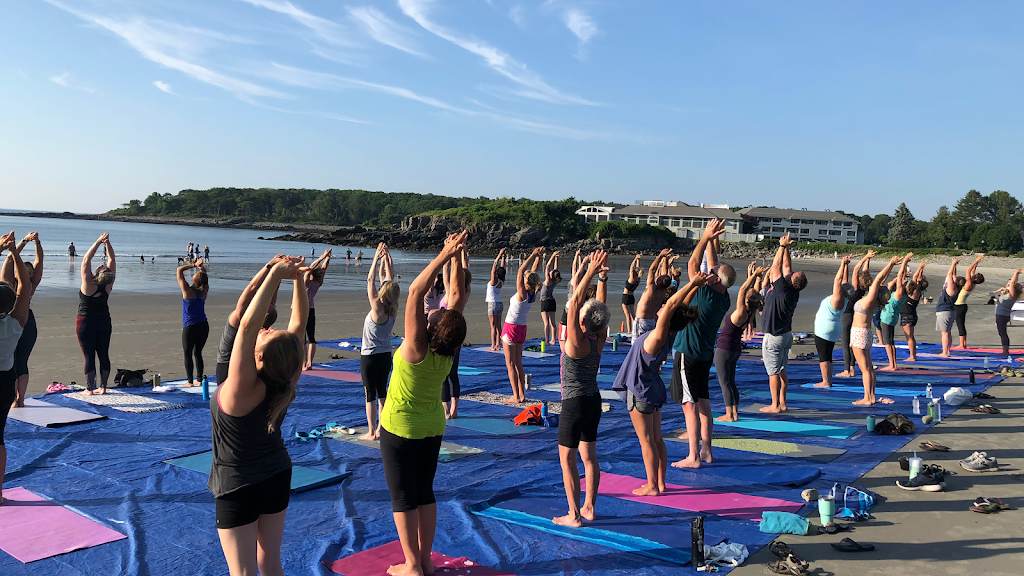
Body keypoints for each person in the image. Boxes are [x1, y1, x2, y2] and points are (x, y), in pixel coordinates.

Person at [209, 254, 307, 576]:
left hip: (239, 486)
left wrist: (278, 272)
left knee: (244, 572)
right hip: (276, 475)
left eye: (269, 333)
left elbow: (248, 325)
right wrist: (296, 281)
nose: (268, 327)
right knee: (270, 563)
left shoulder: (241, 388)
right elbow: (299, 325)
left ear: (260, 355)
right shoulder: (285, 382)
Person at [380, 232, 467, 576]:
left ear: (433, 329)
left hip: (401, 428)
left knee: (403, 497)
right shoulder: (449, 348)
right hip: (432, 427)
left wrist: (445, 254)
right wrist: (459, 257)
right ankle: (425, 561)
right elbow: (457, 296)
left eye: (435, 315)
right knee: (425, 492)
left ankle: (413, 565)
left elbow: (416, 292)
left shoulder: (417, 348)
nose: (433, 312)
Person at [613, 272, 705, 496]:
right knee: (656, 439)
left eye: (666, 308)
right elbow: (678, 306)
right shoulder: (668, 332)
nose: (663, 305)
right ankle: (661, 483)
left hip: (640, 390)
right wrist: (694, 288)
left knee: (647, 441)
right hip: (651, 388)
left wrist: (693, 282)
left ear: (669, 316)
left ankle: (653, 486)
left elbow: (673, 303)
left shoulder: (659, 335)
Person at [670, 219, 735, 467]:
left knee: (689, 405)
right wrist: (711, 237)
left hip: (689, 353)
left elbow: (693, 264)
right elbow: (712, 264)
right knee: (704, 404)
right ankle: (707, 451)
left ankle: (693, 456)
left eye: (713, 273)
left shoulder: (704, 292)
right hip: (705, 354)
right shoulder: (724, 298)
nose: (709, 272)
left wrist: (704, 237)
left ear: (716, 280)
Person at [553, 250, 611, 527]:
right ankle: (589, 508)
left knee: (567, 459)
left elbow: (575, 302)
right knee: (589, 457)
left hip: (574, 403)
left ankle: (574, 515)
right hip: (593, 401)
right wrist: (601, 277)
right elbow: (600, 307)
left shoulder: (577, 341)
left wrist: (590, 271)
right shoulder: (599, 338)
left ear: (584, 321)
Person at [215, 257, 284, 385]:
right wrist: (278, 272)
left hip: (227, 365)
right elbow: (273, 293)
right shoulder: (264, 330)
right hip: (245, 365)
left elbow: (252, 287)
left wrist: (269, 265)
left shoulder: (240, 318)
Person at [1, 232, 33, 505]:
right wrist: (15, 252)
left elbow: (11, 282)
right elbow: (24, 285)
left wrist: (4, 250)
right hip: (4, 381)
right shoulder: (16, 322)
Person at [759, 233, 807, 413]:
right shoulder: (794, 290)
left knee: (773, 372)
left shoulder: (781, 287)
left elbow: (776, 266)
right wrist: (786, 247)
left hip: (775, 336)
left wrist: (780, 247)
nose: (791, 272)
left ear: (791, 280)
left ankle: (774, 405)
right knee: (781, 370)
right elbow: (787, 266)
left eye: (793, 274)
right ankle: (783, 403)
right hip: (786, 335)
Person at [712, 265, 765, 418]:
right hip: (734, 349)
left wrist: (754, 274)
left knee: (724, 383)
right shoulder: (750, 312)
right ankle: (734, 412)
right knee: (731, 381)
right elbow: (753, 294)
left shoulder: (742, 311)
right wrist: (756, 277)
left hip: (725, 349)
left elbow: (742, 290)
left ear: (747, 300)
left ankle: (730, 414)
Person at [850, 255, 902, 405]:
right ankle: (871, 396)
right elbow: (881, 280)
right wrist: (891, 267)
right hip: (865, 333)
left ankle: (868, 398)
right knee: (869, 368)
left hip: (859, 333)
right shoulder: (874, 301)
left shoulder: (869, 300)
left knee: (865, 369)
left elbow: (879, 279)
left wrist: (891, 263)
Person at [360, 244, 399, 441]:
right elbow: (389, 281)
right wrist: (386, 258)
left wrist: (376, 258)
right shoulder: (394, 308)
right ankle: (382, 429)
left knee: (370, 396)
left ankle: (371, 431)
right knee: (382, 393)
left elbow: (370, 280)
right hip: (385, 356)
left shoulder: (376, 307)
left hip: (369, 357)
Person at [2, 232, 43, 409]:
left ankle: (15, 399)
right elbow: (39, 263)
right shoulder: (29, 286)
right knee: (22, 361)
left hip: (13, 321)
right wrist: (37, 243)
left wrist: (19, 244)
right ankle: (20, 399)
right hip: (26, 321)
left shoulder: (7, 283)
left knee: (12, 361)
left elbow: (8, 262)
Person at [502, 247, 543, 404]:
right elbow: (532, 274)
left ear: (527, 282)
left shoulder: (522, 293)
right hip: (521, 329)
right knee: (518, 363)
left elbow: (520, 271)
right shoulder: (532, 293)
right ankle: (522, 395)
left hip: (511, 327)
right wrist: (537, 258)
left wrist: (532, 255)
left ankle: (516, 396)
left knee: (510, 364)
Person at [77, 234, 116, 395]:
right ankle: (103, 387)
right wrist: (108, 244)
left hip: (86, 322)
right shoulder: (108, 286)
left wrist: (99, 241)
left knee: (88, 355)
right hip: (104, 321)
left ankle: (89, 389)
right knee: (103, 354)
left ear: (98, 274)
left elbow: (86, 260)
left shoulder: (88, 284)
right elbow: (112, 261)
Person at [440, 246, 471, 419]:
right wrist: (461, 256)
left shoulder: (451, 293)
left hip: (447, 334)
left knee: (445, 373)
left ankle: (446, 410)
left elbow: (446, 273)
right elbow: (465, 273)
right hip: (458, 333)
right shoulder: (466, 291)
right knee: (454, 373)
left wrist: (449, 254)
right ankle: (455, 409)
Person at [813, 256, 852, 388]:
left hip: (825, 329)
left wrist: (842, 263)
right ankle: (828, 380)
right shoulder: (845, 299)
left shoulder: (836, 299)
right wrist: (846, 265)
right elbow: (844, 281)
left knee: (823, 356)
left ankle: (826, 381)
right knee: (828, 355)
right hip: (833, 328)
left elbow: (838, 279)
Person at [837, 252, 874, 378]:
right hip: (854, 316)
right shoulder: (861, 290)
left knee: (846, 343)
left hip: (846, 316)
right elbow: (845, 281)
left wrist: (865, 257)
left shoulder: (856, 288)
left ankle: (847, 370)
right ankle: (851, 368)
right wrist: (846, 265)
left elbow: (857, 269)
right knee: (852, 344)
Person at [177, 258, 210, 387]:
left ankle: (190, 381)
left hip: (190, 326)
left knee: (187, 353)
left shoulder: (187, 291)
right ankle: (200, 380)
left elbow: (179, 270)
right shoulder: (204, 291)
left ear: (194, 280)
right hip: (203, 325)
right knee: (198, 353)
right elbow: (205, 279)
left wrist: (194, 265)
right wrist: (201, 268)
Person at [879, 256, 913, 372]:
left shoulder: (899, 293)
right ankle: (893, 363)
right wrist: (906, 263)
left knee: (888, 342)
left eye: (905, 282)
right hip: (892, 318)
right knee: (891, 341)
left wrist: (904, 262)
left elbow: (899, 277)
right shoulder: (903, 293)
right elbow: (901, 277)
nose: (904, 280)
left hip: (888, 318)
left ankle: (892, 365)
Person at [632, 249, 675, 337]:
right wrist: (665, 259)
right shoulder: (663, 291)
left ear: (658, 282)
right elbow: (665, 275)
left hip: (642, 321)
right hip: (652, 321)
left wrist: (660, 255)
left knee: (636, 345)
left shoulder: (651, 290)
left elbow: (652, 270)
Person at [302, 249, 332, 370]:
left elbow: (310, 268)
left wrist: (322, 257)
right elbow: (323, 270)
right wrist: (327, 258)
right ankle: (310, 363)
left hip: (302, 310)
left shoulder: (307, 282)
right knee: (311, 338)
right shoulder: (318, 282)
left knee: (303, 338)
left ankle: (304, 363)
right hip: (311, 309)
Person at [953, 254, 985, 350]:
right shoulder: (971, 283)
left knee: (960, 324)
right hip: (962, 305)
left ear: (976, 279)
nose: (974, 275)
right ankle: (963, 344)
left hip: (959, 306)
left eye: (975, 276)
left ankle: (962, 345)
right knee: (961, 324)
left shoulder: (969, 283)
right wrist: (977, 262)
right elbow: (972, 271)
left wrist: (975, 261)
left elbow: (968, 271)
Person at [935, 258, 962, 358]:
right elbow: (953, 276)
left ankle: (945, 352)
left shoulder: (952, 288)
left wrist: (953, 264)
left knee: (944, 333)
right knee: (947, 332)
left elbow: (950, 275)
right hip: (949, 311)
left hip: (945, 311)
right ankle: (947, 351)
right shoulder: (956, 287)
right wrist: (955, 266)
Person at [901, 261, 927, 361]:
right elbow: (917, 278)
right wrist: (921, 270)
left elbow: (915, 278)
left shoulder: (916, 291)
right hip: (910, 315)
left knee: (910, 337)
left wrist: (920, 267)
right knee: (910, 336)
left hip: (908, 316)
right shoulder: (917, 291)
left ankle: (912, 356)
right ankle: (913, 355)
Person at [994, 269, 1023, 356]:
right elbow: (1014, 283)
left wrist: (1016, 273)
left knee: (1002, 333)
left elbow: (1013, 283)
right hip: (1004, 315)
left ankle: (1005, 351)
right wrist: (1017, 274)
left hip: (1002, 316)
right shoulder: (1014, 294)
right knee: (1003, 333)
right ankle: (1005, 351)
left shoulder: (1012, 294)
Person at [485, 249, 507, 351]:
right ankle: (498, 345)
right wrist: (503, 257)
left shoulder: (494, 281)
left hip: (492, 303)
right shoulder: (501, 281)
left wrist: (498, 255)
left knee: (493, 326)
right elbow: (502, 268)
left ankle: (493, 345)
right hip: (499, 303)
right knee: (498, 325)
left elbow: (494, 267)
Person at [539, 251, 562, 346]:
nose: (551, 270)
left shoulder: (548, 280)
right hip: (552, 301)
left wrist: (552, 256)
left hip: (545, 301)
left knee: (546, 323)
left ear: (551, 274)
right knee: (553, 322)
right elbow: (555, 269)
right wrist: (556, 258)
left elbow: (548, 266)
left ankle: (547, 341)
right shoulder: (554, 281)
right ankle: (553, 339)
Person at [620, 255, 641, 334]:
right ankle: (635, 330)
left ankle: (629, 331)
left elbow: (631, 267)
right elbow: (637, 269)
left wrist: (635, 258)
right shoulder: (637, 280)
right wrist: (638, 261)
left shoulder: (631, 279)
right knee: (633, 316)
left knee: (627, 315)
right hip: (632, 297)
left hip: (625, 297)